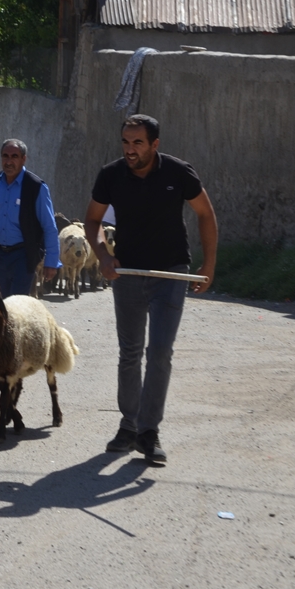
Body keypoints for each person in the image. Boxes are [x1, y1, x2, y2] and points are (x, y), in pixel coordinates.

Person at [84, 114, 218, 465]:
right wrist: (103, 255)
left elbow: (205, 213)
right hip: (126, 272)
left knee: (159, 351)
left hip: (170, 273)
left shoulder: (178, 173)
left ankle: (148, 432)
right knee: (130, 351)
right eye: (126, 142)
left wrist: (209, 265)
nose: (130, 149)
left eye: (137, 143)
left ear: (154, 144)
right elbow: (93, 220)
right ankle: (128, 426)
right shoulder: (111, 175)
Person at [0, 139, 61, 297]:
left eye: (14, 156)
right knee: (0, 301)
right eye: (5, 156)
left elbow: (49, 226)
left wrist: (52, 261)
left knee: (17, 303)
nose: (9, 161)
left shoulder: (36, 187)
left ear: (23, 159)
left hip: (23, 256)